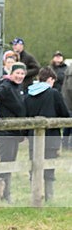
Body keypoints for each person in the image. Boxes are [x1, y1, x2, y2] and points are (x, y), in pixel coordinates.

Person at [25, 66, 69, 202]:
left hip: (33, 138)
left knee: (34, 166)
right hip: (51, 137)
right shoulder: (53, 93)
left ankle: (35, 196)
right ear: (50, 79)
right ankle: (49, 198)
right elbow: (64, 114)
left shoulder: (28, 95)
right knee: (49, 168)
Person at [0, 62, 27, 202]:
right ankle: (2, 194)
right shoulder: (5, 86)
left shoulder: (18, 87)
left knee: (10, 163)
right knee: (4, 164)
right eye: (17, 73)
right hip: (5, 132)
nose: (20, 76)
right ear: (11, 73)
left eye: (22, 74)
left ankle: (6, 193)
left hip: (15, 132)